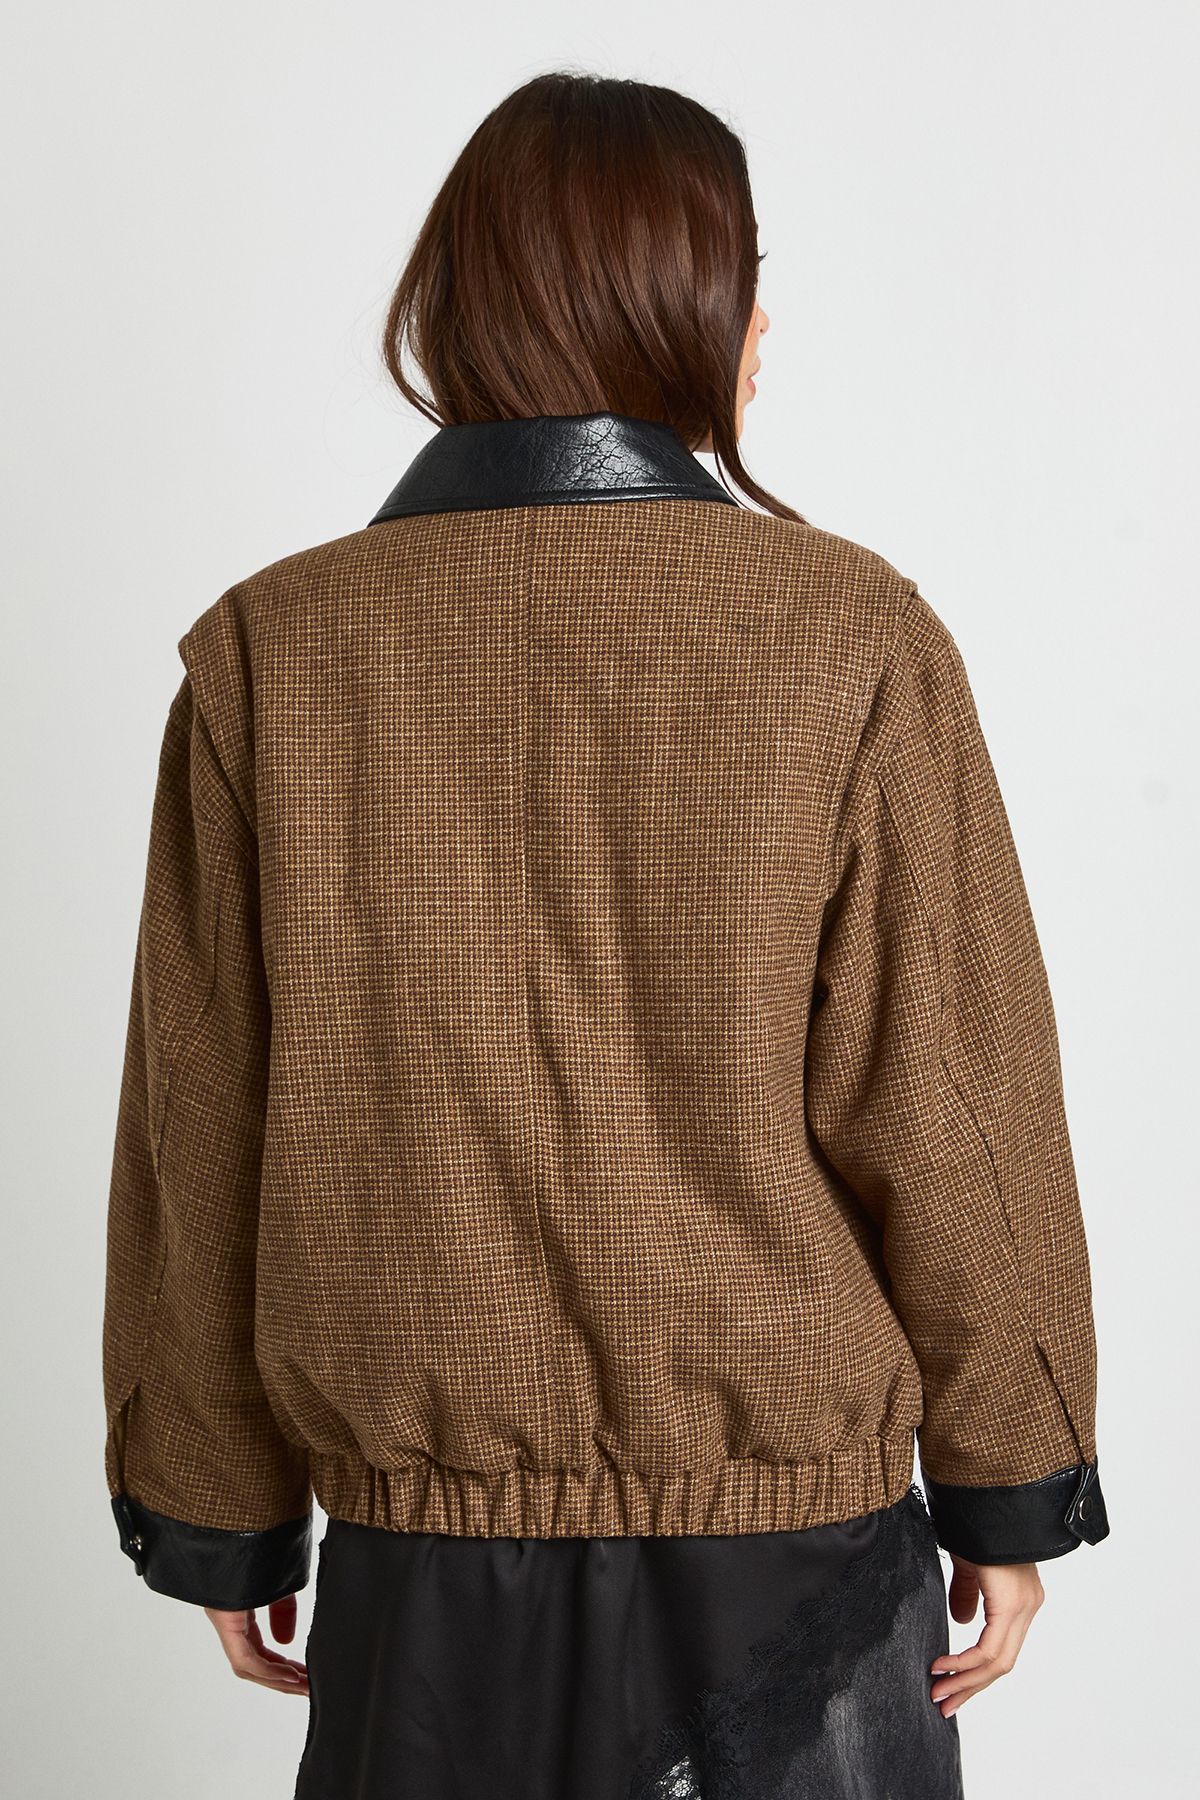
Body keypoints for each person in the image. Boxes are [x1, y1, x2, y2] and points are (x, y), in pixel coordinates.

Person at [101, 69, 1109, 1799]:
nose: (763, 325)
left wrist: (219, 1507)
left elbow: (201, 1128)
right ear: (681, 308)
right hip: (798, 1552)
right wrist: (1011, 1484)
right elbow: (948, 1098)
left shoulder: (272, 651)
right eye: (742, 277)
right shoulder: (853, 635)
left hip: (424, 1566)